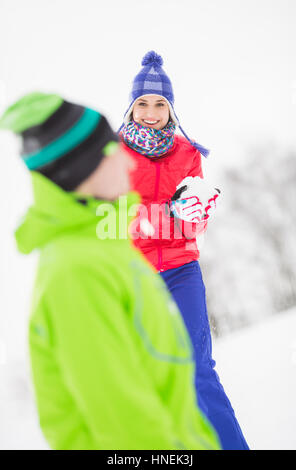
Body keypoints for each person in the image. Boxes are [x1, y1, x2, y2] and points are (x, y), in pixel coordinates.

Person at [0, 92, 220, 450]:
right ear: (81, 168)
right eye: (113, 152)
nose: (130, 164)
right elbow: (128, 431)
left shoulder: (104, 250)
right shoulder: (78, 273)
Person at [118, 51, 249, 450]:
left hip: (181, 271)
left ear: (171, 109)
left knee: (199, 370)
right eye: (143, 103)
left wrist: (195, 212)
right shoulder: (112, 154)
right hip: (133, 275)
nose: (151, 112)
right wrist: (167, 214)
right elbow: (115, 219)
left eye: (160, 104)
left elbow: (193, 223)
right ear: (131, 107)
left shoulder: (188, 154)